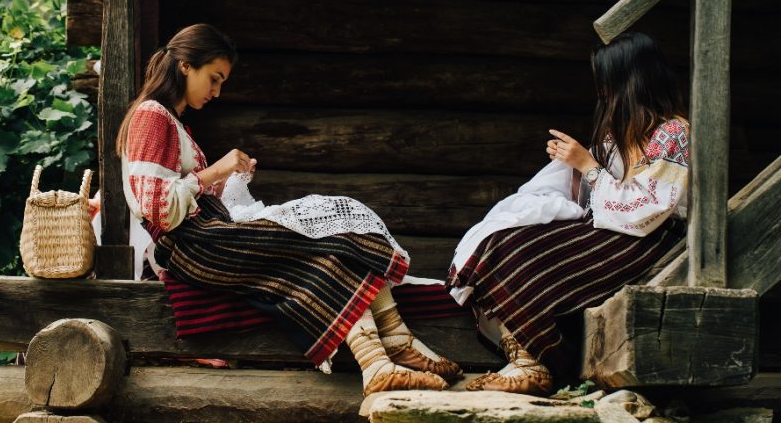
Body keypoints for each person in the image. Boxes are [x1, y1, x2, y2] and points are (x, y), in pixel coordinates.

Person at [115, 23, 461, 396]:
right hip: (192, 244)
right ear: (185, 65)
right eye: (214, 78)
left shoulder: (171, 122)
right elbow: (157, 209)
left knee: (332, 242)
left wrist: (228, 180)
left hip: (203, 236)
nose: (217, 91)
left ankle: (379, 363)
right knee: (324, 237)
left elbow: (183, 193)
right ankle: (393, 347)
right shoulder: (152, 115)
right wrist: (218, 169)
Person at [447, 31, 689, 395]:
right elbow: (598, 200)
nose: (603, 93)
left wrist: (587, 164)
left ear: (631, 80)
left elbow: (647, 210)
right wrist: (575, 167)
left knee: (527, 254)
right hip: (614, 230)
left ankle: (544, 363)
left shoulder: (673, 132)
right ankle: (527, 358)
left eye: (608, 84)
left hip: (650, 240)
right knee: (504, 244)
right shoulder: (616, 137)